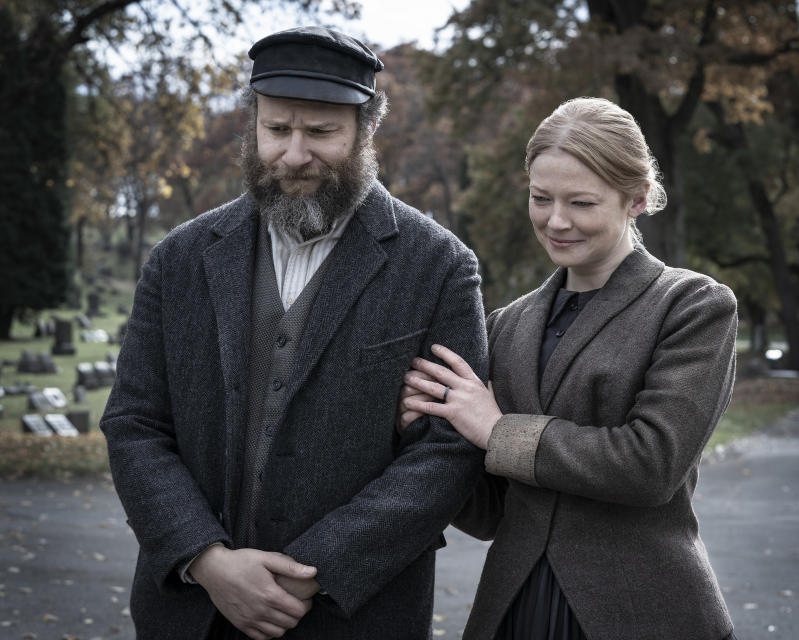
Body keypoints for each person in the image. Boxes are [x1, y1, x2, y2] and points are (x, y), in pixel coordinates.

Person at [101, 26, 487, 640]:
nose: (294, 154)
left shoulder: (438, 266)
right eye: (277, 130)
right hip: (191, 613)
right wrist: (207, 560)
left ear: (365, 130)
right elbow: (134, 424)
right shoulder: (178, 258)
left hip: (355, 615)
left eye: (321, 133)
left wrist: (317, 568)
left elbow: (447, 450)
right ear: (254, 124)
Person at [400, 97, 739, 640]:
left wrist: (496, 430)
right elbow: (492, 514)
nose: (556, 221)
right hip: (513, 611)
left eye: (581, 202)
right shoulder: (506, 325)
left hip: (642, 612)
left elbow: (651, 465)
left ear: (638, 198)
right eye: (541, 199)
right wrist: (427, 425)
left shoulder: (693, 306)